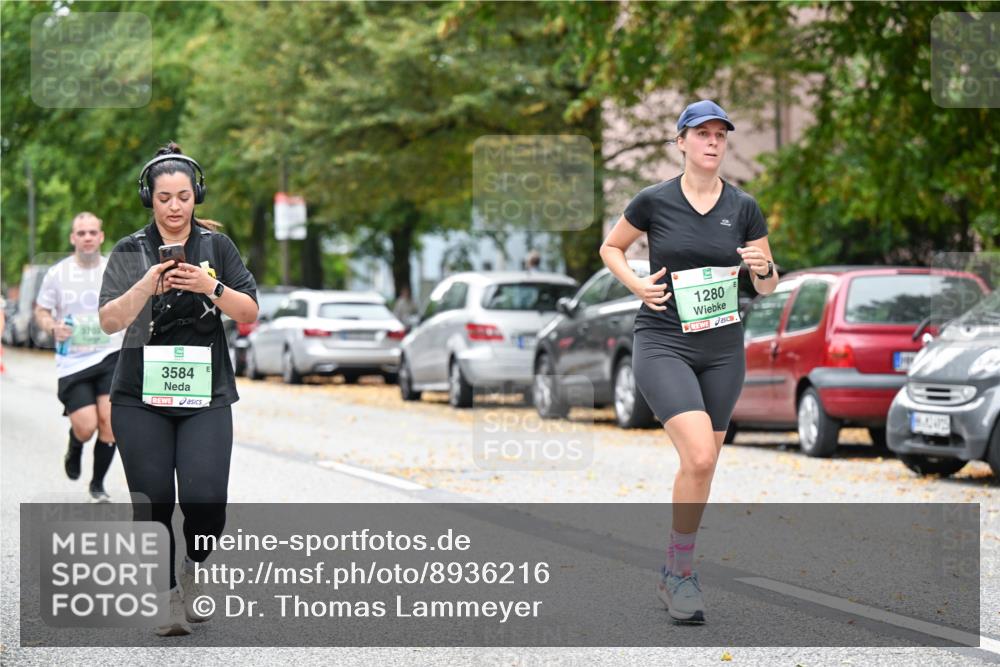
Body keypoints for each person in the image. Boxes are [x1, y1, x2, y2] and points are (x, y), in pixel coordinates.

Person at [598, 100, 777, 624]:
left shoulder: (744, 207)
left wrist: (765, 268)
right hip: (663, 341)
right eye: (702, 133)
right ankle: (679, 573)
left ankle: (675, 566)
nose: (713, 141)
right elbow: (611, 247)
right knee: (699, 457)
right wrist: (635, 282)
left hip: (722, 349)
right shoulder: (654, 201)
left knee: (704, 464)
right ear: (681, 142)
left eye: (721, 134)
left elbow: (766, 284)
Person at [99, 143, 259, 637]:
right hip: (138, 395)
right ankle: (168, 597)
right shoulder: (131, 249)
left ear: (197, 197)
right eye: (164, 196)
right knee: (153, 503)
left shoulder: (218, 248)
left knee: (207, 499)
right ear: (150, 197)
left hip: (204, 394)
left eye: (184, 196)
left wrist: (207, 287)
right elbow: (108, 321)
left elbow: (249, 312)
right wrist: (147, 285)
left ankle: (193, 568)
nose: (174, 206)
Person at [34, 212, 123, 502]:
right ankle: (76, 444)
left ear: (101, 236)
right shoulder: (57, 274)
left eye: (92, 232)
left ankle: (97, 484)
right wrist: (51, 326)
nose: (87, 237)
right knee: (86, 426)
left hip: (110, 354)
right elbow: (41, 311)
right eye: (81, 233)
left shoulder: (114, 271)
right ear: (73, 238)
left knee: (109, 421)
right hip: (73, 361)